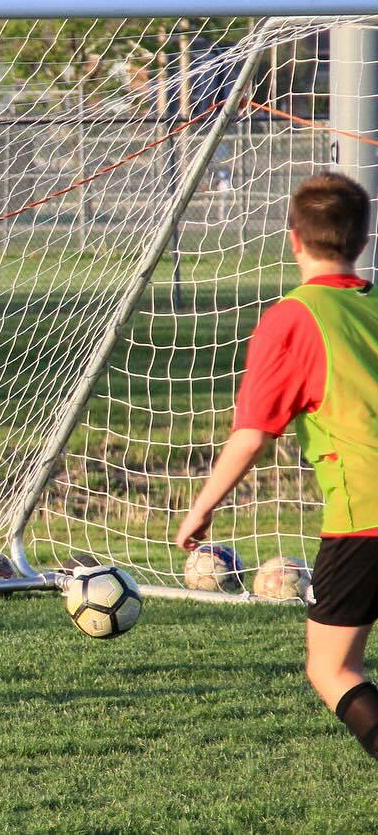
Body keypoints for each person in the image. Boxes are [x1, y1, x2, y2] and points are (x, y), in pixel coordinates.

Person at [175, 171, 378, 760]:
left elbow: (252, 437)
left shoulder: (293, 318)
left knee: (332, 667)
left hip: (365, 515)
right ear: (363, 240)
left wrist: (201, 508)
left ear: (293, 238)